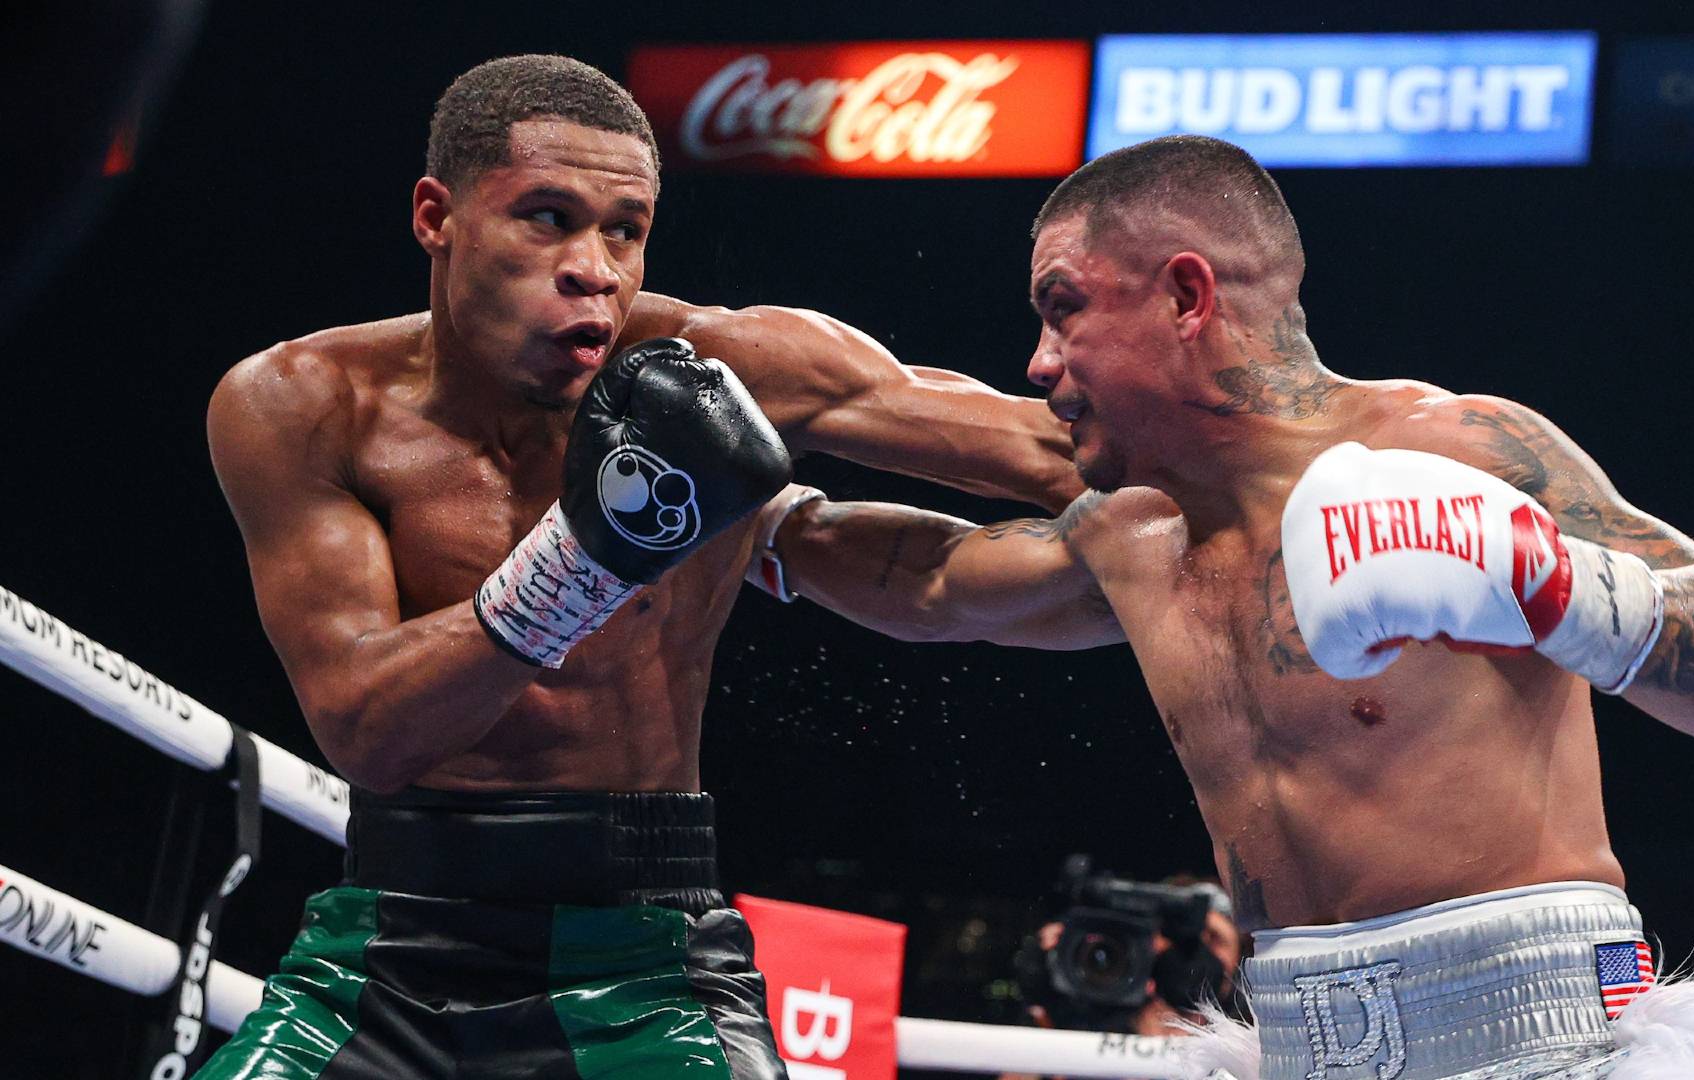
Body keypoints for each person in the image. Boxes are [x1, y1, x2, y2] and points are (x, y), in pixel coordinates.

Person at [751, 135, 1694, 1078]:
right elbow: (936, 583)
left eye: (1063, 310)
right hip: (1296, 1038)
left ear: (1186, 296)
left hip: (1540, 1032)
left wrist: (1547, 581)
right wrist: (743, 518)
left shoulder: (1450, 448)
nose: (1039, 363)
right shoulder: (1134, 534)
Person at [196, 55, 1076, 1079]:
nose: (595, 269)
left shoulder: (728, 363)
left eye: (625, 229)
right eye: (547, 218)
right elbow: (369, 732)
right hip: (388, 948)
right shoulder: (304, 405)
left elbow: (1065, 452)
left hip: (645, 962)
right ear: (437, 217)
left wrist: (1241, 451)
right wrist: (592, 552)